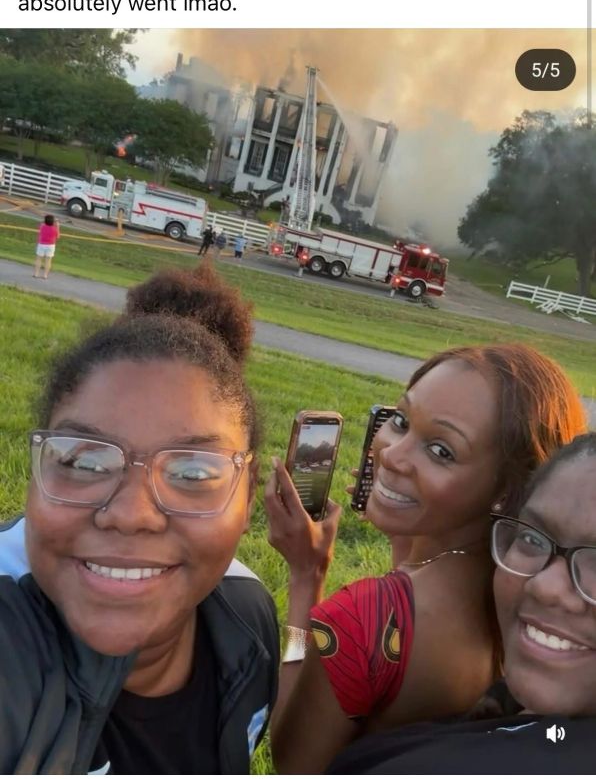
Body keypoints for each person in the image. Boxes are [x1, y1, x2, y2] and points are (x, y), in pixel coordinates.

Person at [0, 263, 279, 774]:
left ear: (248, 493)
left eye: (193, 472)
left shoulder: (248, 621)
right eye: (85, 462)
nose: (131, 515)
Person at [265, 343, 586, 774]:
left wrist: (307, 575)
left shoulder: (364, 619)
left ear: (505, 490)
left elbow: (292, 763)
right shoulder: (522, 597)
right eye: (400, 421)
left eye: (441, 451)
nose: (392, 454)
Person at [328, 433, 596, 774]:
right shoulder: (518, 707)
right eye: (531, 537)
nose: (546, 587)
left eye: (442, 451)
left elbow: (293, 760)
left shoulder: (353, 621)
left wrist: (305, 584)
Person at [33, 213, 60, 279]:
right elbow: (58, 236)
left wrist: (48, 220)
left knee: (39, 259)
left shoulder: (42, 226)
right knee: (48, 260)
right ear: (52, 222)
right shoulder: (54, 229)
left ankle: (36, 274)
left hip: (41, 244)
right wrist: (58, 226)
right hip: (51, 245)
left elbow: (41, 222)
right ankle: (45, 275)